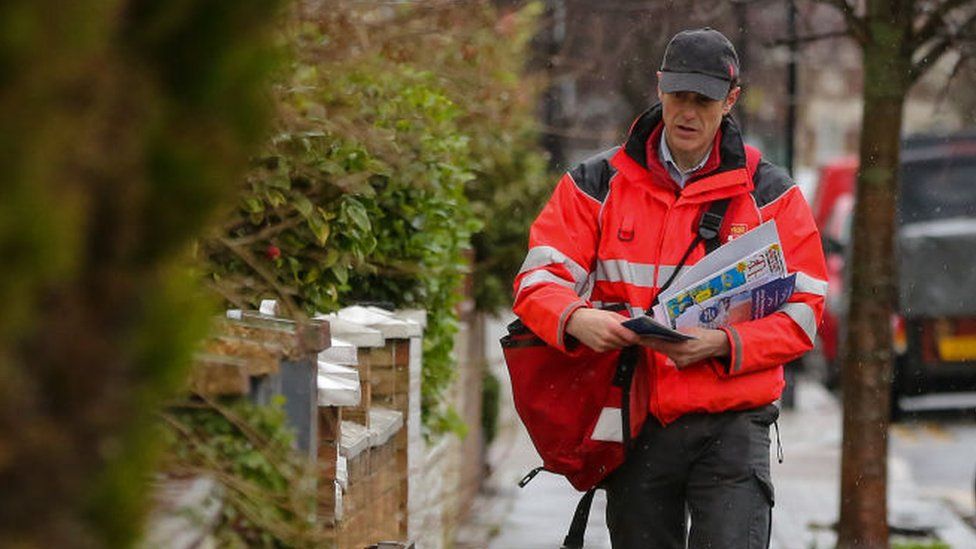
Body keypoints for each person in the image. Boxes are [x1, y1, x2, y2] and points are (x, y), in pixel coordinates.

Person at [512, 27, 828, 548]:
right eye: (678, 95)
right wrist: (576, 319)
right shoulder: (596, 183)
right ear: (659, 87)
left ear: (730, 101)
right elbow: (537, 279)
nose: (688, 111)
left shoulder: (772, 195)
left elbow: (806, 310)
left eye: (703, 100)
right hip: (638, 420)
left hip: (733, 422)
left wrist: (726, 344)